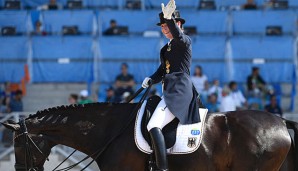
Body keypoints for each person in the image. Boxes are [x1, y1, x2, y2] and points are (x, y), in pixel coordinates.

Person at [141, 1, 200, 170]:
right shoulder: (167, 47)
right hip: (169, 90)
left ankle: (162, 168)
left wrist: (169, 19)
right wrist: (151, 79)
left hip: (180, 91)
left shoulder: (184, 41)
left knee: (153, 125)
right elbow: (162, 71)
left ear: (178, 24)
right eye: (163, 27)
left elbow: (177, 34)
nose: (165, 29)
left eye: (167, 26)